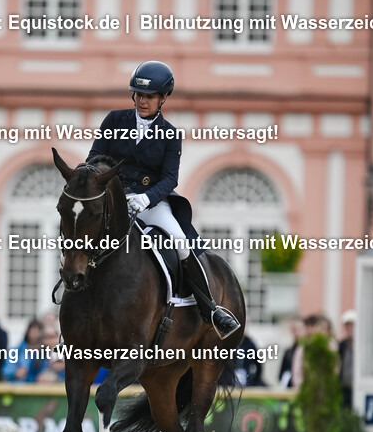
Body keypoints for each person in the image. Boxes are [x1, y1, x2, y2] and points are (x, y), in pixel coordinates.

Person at [86, 60, 240, 340]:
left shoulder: (170, 134)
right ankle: (75, 311)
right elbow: (94, 158)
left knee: (180, 243)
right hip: (115, 201)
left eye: (150, 96)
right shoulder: (113, 120)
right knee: (83, 236)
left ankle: (211, 310)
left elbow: (170, 179)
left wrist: (146, 198)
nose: (143, 101)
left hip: (151, 204)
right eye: (140, 95)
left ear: (163, 98)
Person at [278, 315, 305, 388]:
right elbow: (281, 375)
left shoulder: (307, 350)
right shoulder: (288, 351)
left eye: (299, 329)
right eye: (294, 329)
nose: (296, 332)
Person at [337, 309, 356, 407]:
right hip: (344, 388)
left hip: (357, 388)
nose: (349, 329)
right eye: (347, 326)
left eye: (351, 326)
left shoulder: (361, 346)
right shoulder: (341, 345)